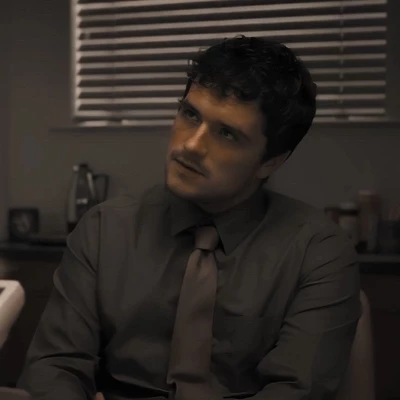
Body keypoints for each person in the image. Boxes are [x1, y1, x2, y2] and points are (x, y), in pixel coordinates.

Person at [18, 36, 360, 400]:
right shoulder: (104, 230)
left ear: (271, 161)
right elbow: (55, 366)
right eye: (190, 115)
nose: (192, 145)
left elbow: (296, 392)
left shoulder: (318, 253)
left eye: (227, 133)